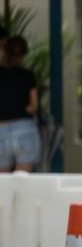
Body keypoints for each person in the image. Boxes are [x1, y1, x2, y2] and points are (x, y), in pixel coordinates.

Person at [0, 36, 41, 173]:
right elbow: (34, 106)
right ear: (23, 55)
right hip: (24, 129)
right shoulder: (28, 75)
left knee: (2, 185)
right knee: (23, 182)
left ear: (4, 52)